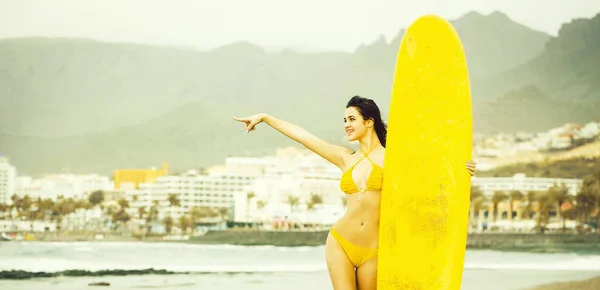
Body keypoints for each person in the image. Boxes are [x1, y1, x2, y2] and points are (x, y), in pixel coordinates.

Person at [233, 95, 477, 290]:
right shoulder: (344, 158)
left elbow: (435, 177)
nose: (346, 125)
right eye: (344, 120)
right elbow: (304, 137)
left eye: (351, 119)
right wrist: (265, 118)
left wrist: (465, 170)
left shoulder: (396, 159)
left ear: (369, 122)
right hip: (340, 242)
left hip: (375, 250)